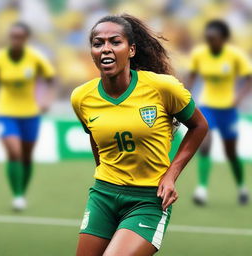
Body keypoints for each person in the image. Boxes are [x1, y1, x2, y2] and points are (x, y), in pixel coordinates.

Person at [71, 14, 208, 256]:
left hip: (148, 199)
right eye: (98, 43)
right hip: (103, 195)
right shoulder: (81, 97)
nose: (106, 49)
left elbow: (199, 126)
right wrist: (104, 171)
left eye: (115, 42)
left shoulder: (163, 87)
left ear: (131, 50)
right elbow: (95, 137)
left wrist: (170, 175)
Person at [187, 20, 252, 205]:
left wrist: (239, 97)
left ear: (223, 39)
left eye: (213, 38)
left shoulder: (234, 55)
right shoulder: (200, 54)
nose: (209, 41)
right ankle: (201, 190)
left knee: (230, 151)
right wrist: (186, 95)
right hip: (207, 106)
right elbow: (191, 77)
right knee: (205, 145)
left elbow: (249, 78)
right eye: (207, 38)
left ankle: (241, 187)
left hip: (228, 109)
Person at [0, 22, 55, 210]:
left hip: (30, 113)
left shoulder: (35, 58)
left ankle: (22, 190)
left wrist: (46, 99)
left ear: (26, 39)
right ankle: (17, 196)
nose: (16, 40)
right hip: (5, 112)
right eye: (13, 36)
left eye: (20, 37)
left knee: (27, 156)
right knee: (14, 152)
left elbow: (51, 80)